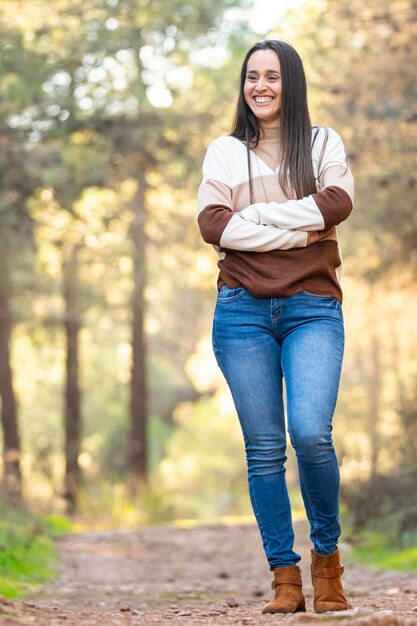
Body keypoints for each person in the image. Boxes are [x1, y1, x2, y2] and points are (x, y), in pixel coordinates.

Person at [197, 39, 354, 614]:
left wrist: (254, 220)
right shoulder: (223, 152)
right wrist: (296, 225)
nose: (260, 86)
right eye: (251, 77)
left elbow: (336, 204)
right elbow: (213, 225)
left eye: (271, 75)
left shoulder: (322, 144)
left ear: (291, 81)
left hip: (312, 305)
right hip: (242, 312)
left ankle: (327, 562)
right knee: (264, 449)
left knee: (311, 433)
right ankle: (285, 578)